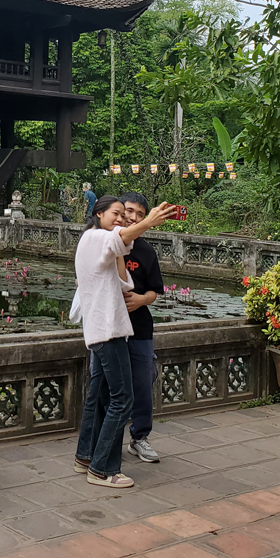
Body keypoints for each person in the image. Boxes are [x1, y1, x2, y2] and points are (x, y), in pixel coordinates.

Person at [73, 195, 176, 489]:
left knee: (103, 395)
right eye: (117, 214)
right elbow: (120, 239)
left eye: (126, 215)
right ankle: (103, 468)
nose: (121, 219)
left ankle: (86, 457)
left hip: (113, 330)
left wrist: (119, 245)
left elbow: (125, 283)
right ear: (98, 214)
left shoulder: (106, 243)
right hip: (109, 330)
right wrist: (148, 222)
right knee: (122, 399)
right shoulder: (93, 237)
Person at [120, 192, 162, 464]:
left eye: (140, 213)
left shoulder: (146, 251)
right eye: (129, 211)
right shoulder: (104, 243)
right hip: (109, 327)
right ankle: (105, 439)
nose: (133, 217)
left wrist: (141, 299)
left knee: (144, 383)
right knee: (103, 386)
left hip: (140, 327)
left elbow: (155, 291)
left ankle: (139, 438)